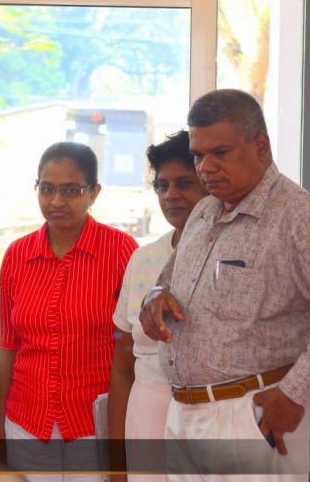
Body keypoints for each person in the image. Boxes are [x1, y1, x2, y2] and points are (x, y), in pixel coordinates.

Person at [140, 89, 310, 481]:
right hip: (183, 417)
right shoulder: (204, 211)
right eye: (198, 155)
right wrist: (156, 295)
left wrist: (296, 390)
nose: (206, 167)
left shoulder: (296, 215)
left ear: (261, 146)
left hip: (251, 417)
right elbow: (170, 279)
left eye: (220, 152)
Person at [0, 142, 138, 481]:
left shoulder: (121, 251)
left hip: (94, 426)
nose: (57, 201)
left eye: (71, 190)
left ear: (94, 192)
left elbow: (134, 350)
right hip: (26, 424)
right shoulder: (17, 255)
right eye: (47, 189)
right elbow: (8, 347)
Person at [107, 131, 207, 481]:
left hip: (207, 419)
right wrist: (116, 465)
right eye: (162, 185)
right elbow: (122, 368)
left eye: (184, 183)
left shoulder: (231, 256)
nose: (171, 195)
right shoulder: (143, 259)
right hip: (146, 413)